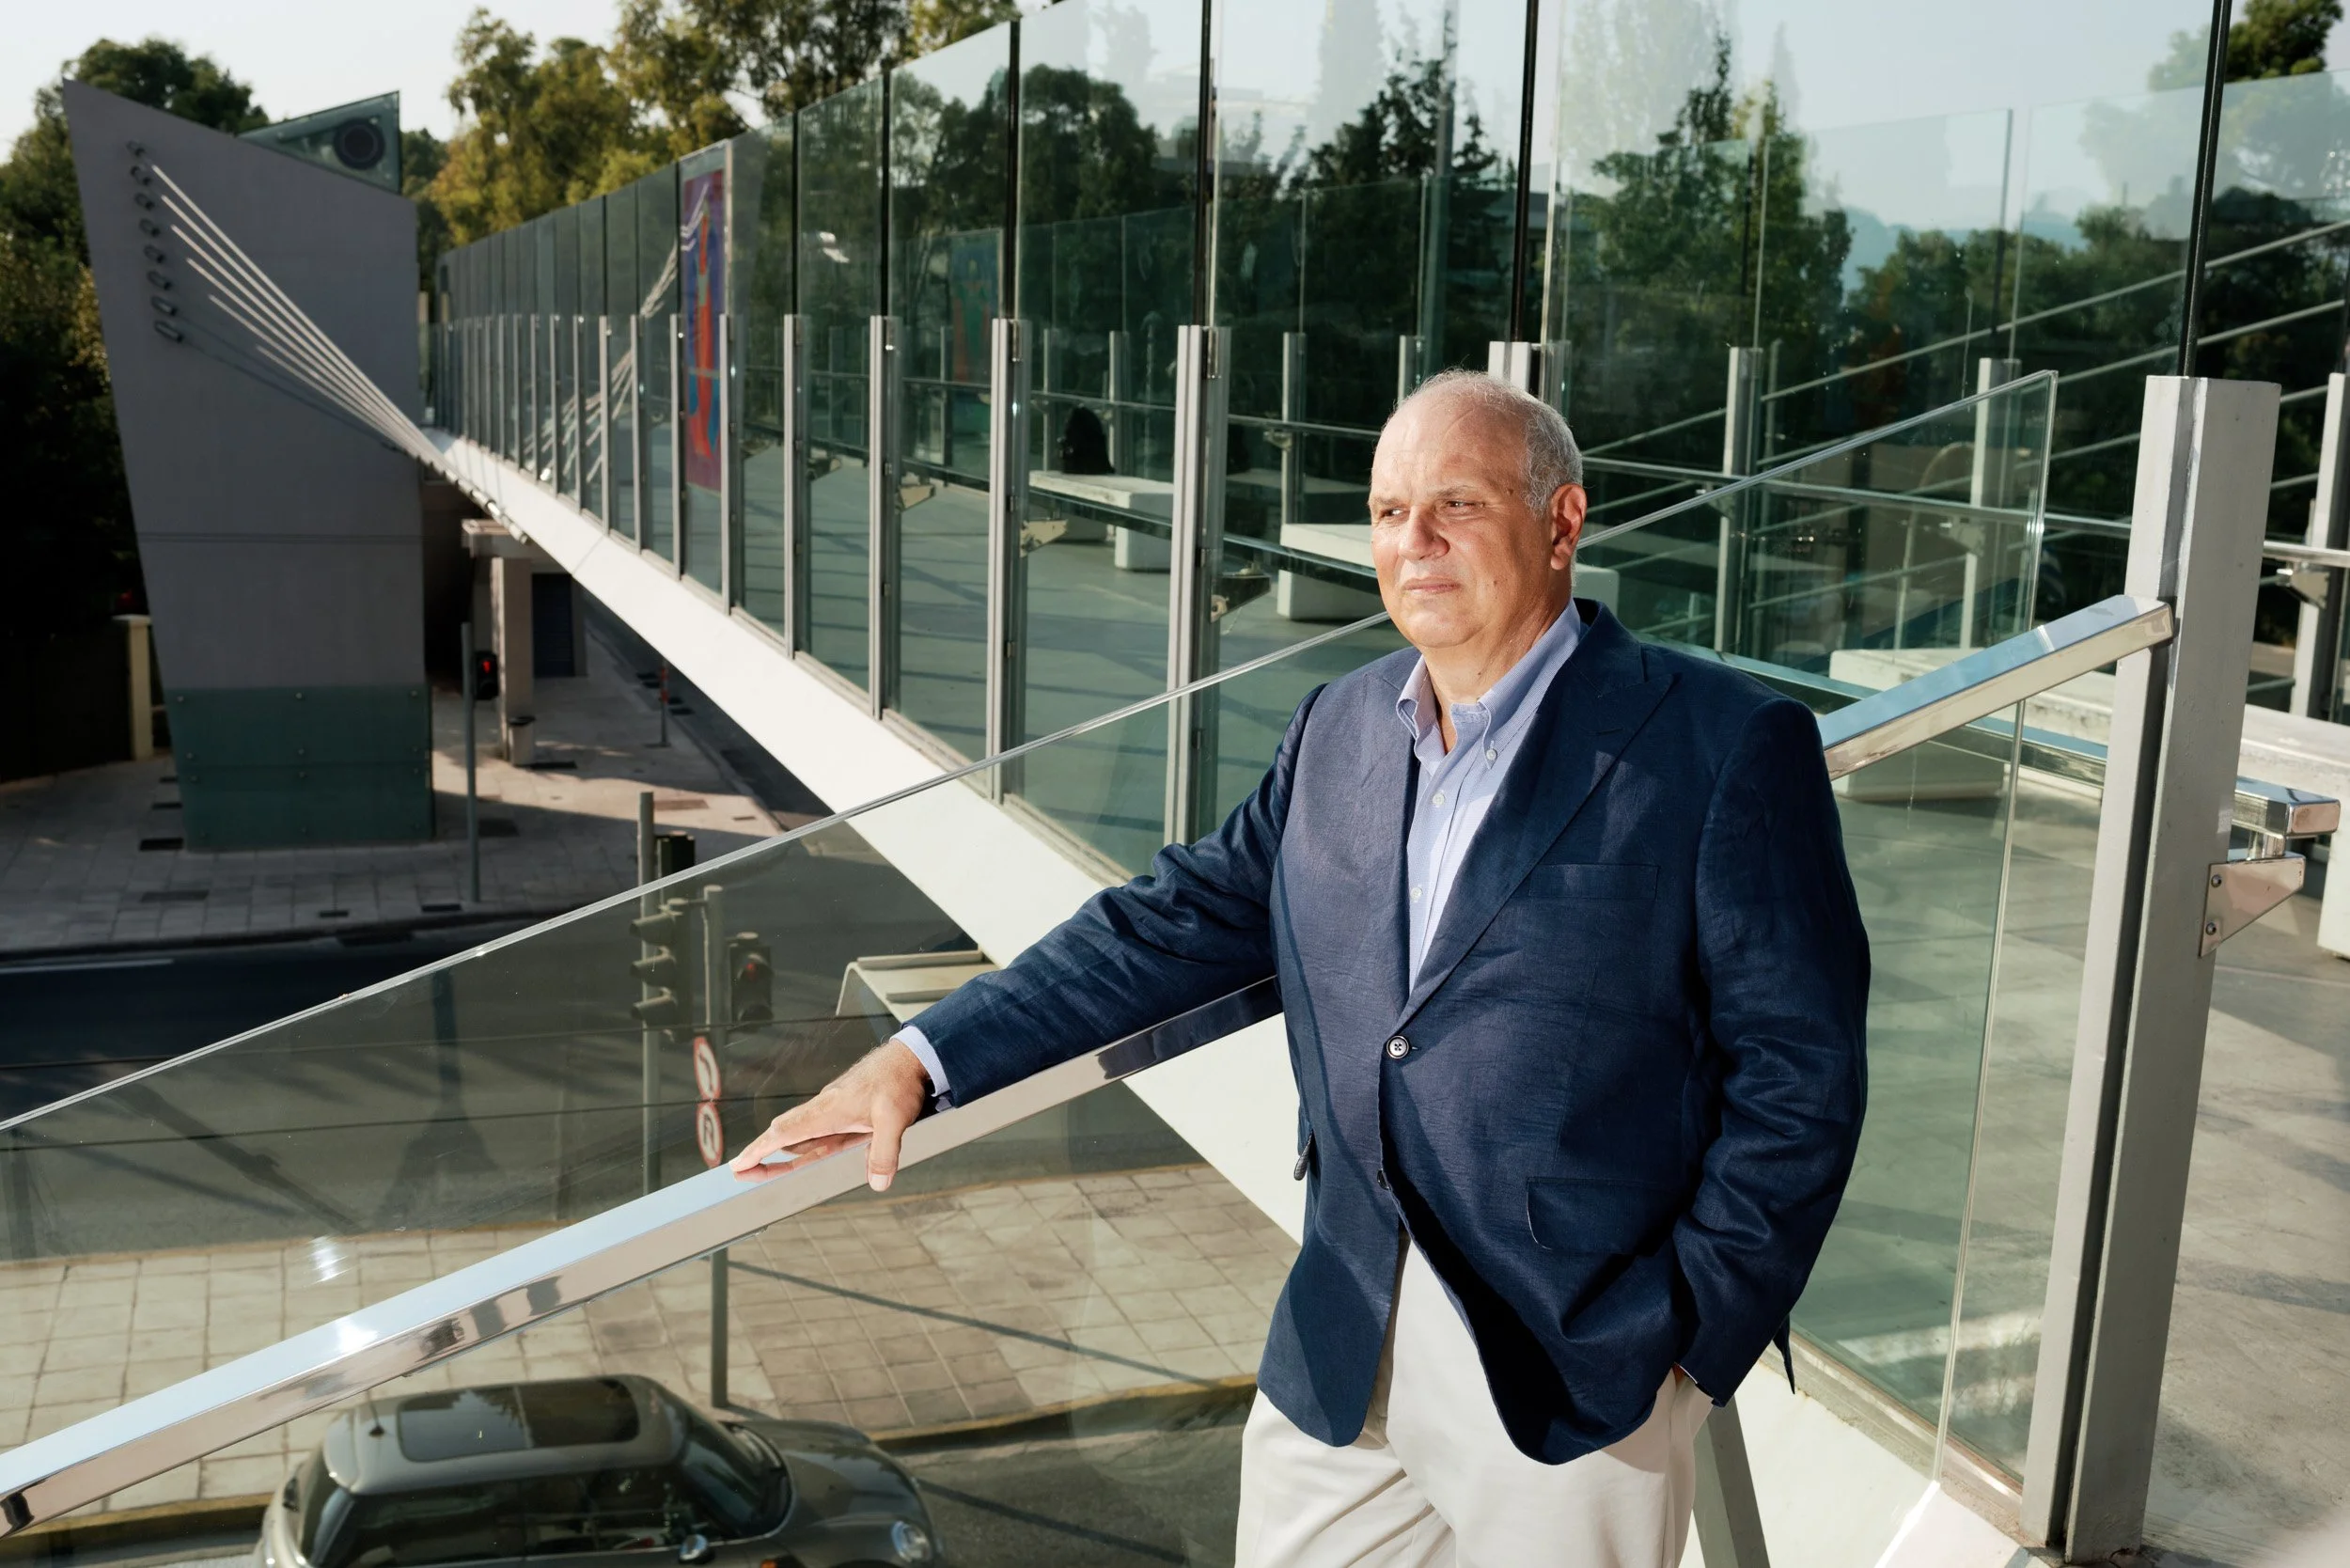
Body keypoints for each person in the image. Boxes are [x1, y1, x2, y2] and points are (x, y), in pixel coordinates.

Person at [733, 368, 1870, 1567]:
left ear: (1561, 522)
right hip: (1343, 1321)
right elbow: (1167, 924)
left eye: (1456, 504)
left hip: (1580, 1358)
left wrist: (1690, 1327)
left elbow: (1800, 1071)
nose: (1414, 541)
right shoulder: (1338, 726)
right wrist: (922, 1056)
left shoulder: (1721, 744)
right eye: (1387, 512)